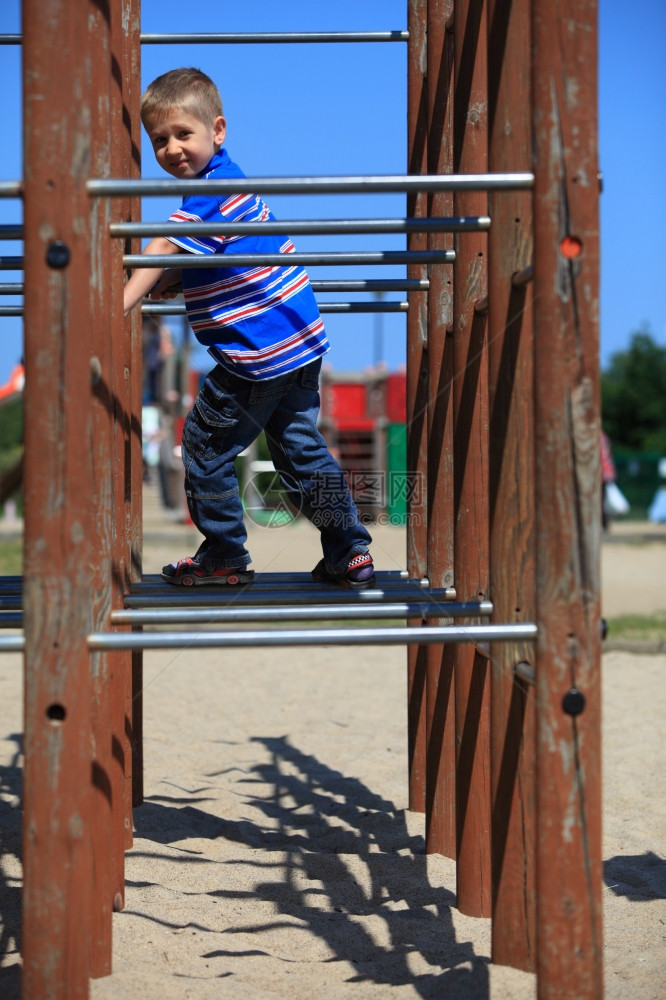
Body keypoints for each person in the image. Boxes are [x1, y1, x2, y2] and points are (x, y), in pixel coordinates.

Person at [123, 68, 374, 589]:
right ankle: (350, 550)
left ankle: (224, 556)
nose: (171, 149)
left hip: (255, 355)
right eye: (159, 140)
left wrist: (123, 298)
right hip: (299, 346)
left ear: (217, 131)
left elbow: (161, 242)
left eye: (182, 134)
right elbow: (206, 258)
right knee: (300, 449)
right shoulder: (227, 188)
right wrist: (170, 280)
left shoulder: (211, 191)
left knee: (204, 445)